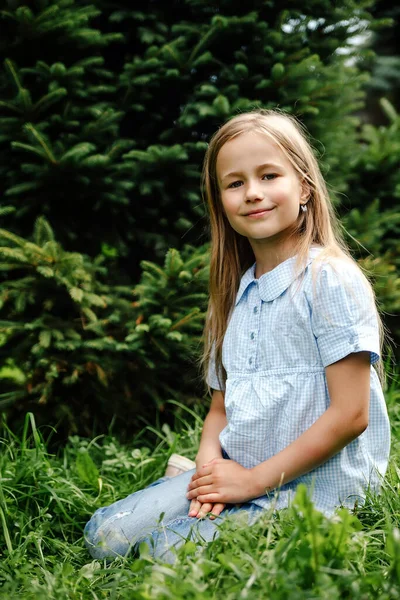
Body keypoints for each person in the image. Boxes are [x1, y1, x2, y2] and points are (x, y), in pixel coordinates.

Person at [84, 109, 391, 564]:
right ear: (220, 201)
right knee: (104, 536)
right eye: (234, 183)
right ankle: (190, 477)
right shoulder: (235, 293)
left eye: (269, 175)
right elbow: (219, 408)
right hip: (238, 472)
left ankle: (219, 497)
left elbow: (350, 416)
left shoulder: (329, 279)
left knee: (162, 556)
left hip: (314, 489)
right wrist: (210, 476)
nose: (253, 193)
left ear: (304, 186)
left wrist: (250, 484)